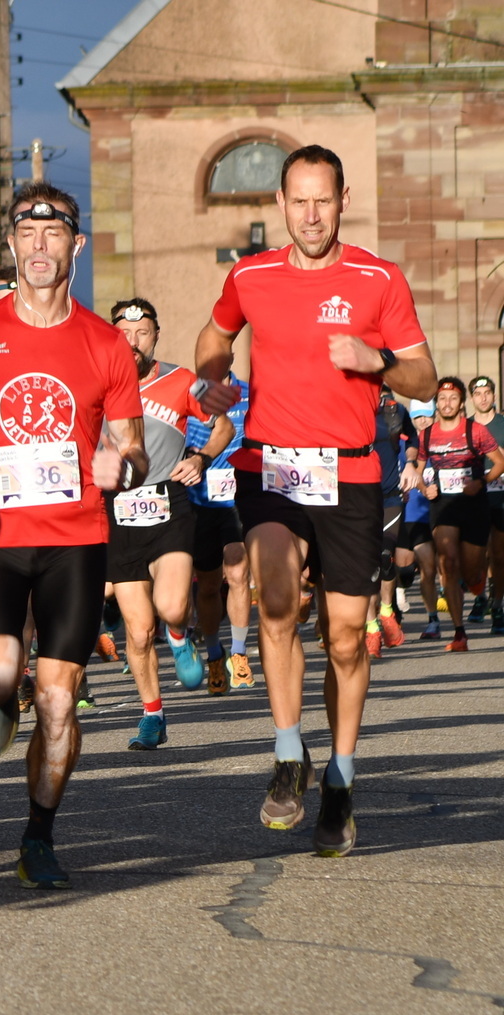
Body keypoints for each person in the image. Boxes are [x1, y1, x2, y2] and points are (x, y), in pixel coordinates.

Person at [194, 144, 435, 859]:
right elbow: (216, 333)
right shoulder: (251, 275)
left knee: (343, 638)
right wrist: (213, 375)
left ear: (343, 199)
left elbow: (423, 376)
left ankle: (340, 777)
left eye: (321, 200)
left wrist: (379, 361)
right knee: (274, 598)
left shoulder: (377, 279)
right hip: (272, 466)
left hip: (352, 476)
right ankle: (288, 751)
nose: (309, 215)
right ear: (280, 205)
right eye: (297, 201)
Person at [0, 182, 146, 890]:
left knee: (58, 700)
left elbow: (132, 451)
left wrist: (123, 466)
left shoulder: (106, 345)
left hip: (75, 539)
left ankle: (38, 833)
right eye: (26, 233)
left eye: (54, 234)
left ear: (76, 244)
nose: (39, 246)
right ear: (9, 243)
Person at [106, 297, 232, 750]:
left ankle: (179, 634)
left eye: (142, 333)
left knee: (173, 606)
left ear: (155, 336)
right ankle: (152, 715)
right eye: (123, 332)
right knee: (137, 631)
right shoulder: (93, 383)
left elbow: (223, 425)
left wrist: (201, 457)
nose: (133, 341)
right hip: (117, 512)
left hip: (168, 503)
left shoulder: (183, 380)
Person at [416, 376, 504, 651]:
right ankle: (459, 632)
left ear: (461, 402)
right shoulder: (427, 434)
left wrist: (483, 481)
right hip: (443, 505)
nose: (447, 403)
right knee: (448, 564)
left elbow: (500, 463)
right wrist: (423, 487)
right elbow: (416, 471)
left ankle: (477, 581)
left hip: (473, 504)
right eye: (442, 398)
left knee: (471, 568)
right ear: (436, 404)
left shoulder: (475, 430)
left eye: (453, 398)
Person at [185, 366, 254, 692]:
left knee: (239, 573)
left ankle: (239, 655)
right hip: (199, 502)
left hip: (238, 499)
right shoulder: (190, 395)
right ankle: (214, 653)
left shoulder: (250, 394)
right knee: (209, 586)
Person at [365, 384, 419, 657]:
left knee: (385, 557)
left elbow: (413, 440)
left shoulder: (395, 411)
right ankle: (371, 625)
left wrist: (410, 463)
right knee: (366, 564)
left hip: (390, 496)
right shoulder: (347, 412)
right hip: (359, 498)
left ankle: (387, 611)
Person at [465, 375, 504, 633]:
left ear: (493, 395)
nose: (483, 398)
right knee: (475, 558)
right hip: (473, 497)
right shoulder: (464, 427)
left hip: (500, 495)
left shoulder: (502, 423)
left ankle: (497, 606)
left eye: (487, 393)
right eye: (478, 394)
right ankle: (480, 596)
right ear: (471, 398)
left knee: (499, 556)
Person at [399, 399, 442, 638]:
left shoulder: (439, 445)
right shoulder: (404, 447)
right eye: (418, 417)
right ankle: (394, 607)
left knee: (428, 568)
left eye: (427, 416)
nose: (423, 421)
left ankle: (432, 619)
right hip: (402, 516)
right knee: (401, 573)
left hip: (427, 517)